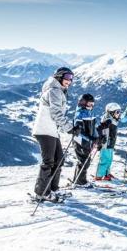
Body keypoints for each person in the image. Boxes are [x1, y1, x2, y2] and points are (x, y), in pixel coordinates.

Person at [32, 67, 77, 201]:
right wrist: (70, 128)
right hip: (44, 130)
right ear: (59, 77)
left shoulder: (58, 91)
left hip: (51, 130)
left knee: (59, 159)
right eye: (67, 77)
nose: (70, 80)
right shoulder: (54, 91)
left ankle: (53, 189)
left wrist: (69, 127)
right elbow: (56, 113)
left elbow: (58, 115)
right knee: (49, 161)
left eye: (72, 78)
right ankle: (42, 192)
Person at [72, 93, 99, 186]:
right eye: (89, 104)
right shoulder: (79, 114)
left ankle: (78, 179)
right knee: (84, 161)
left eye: (92, 104)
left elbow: (94, 128)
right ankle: (80, 181)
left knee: (85, 161)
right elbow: (79, 131)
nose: (91, 106)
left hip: (87, 142)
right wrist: (90, 138)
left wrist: (97, 137)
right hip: (80, 141)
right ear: (83, 103)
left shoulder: (89, 113)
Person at [95, 102, 122, 181]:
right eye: (117, 112)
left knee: (109, 159)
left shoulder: (113, 119)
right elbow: (99, 128)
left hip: (111, 143)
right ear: (111, 112)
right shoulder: (108, 119)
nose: (119, 114)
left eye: (119, 112)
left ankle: (107, 173)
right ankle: (99, 175)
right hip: (106, 143)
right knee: (104, 159)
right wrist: (100, 140)